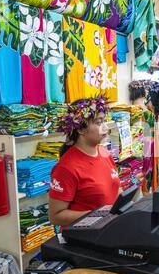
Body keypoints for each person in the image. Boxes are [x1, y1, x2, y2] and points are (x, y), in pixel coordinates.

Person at [49, 97, 120, 227]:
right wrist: (99, 214)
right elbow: (55, 217)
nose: (105, 127)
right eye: (99, 122)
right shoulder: (66, 168)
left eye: (104, 121)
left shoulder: (104, 152)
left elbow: (115, 190)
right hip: (83, 237)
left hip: (108, 229)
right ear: (80, 130)